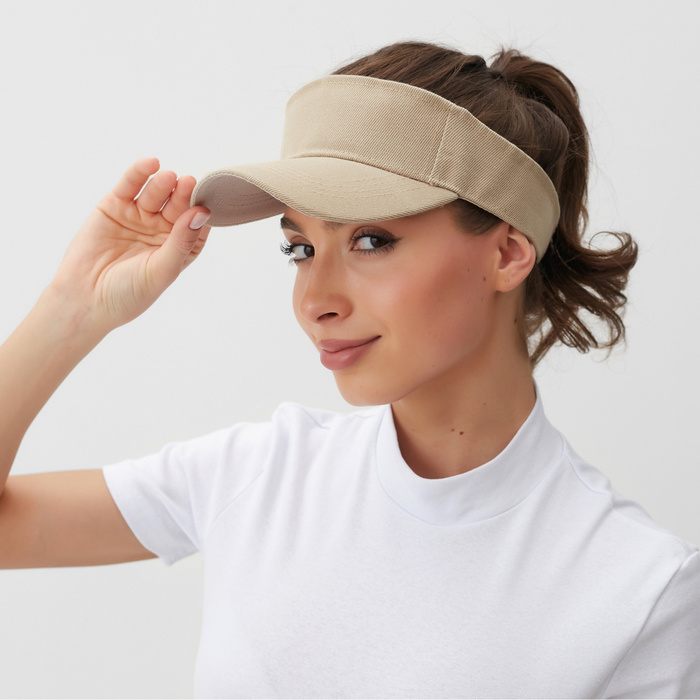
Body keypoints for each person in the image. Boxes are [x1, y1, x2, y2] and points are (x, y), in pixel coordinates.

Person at [0, 39, 698, 698]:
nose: (315, 301)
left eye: (370, 240)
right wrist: (73, 309)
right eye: (300, 248)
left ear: (507, 253)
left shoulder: (640, 589)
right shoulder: (259, 477)